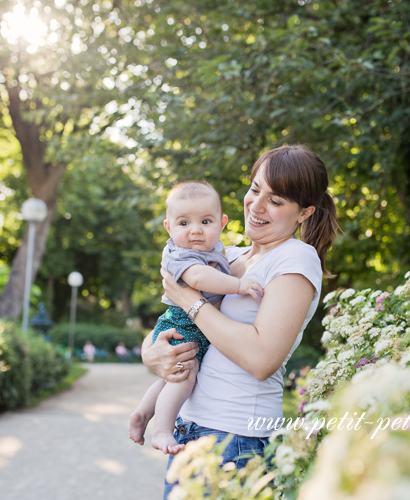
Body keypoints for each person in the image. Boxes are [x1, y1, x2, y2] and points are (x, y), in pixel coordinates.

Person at [140, 145, 339, 498]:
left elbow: (262, 359)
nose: (257, 205)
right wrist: (150, 353)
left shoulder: (295, 257)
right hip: (189, 429)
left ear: (305, 212)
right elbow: (171, 315)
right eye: (255, 189)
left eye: (276, 201)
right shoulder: (223, 256)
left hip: (233, 437)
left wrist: (192, 301)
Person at [129, 181, 264, 454]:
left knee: (174, 380)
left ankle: (143, 413)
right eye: (183, 223)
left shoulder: (218, 251)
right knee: (184, 379)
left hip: (193, 326)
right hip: (182, 324)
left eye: (205, 221)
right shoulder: (180, 254)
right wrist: (238, 285)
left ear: (222, 223)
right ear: (168, 227)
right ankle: (163, 431)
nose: (195, 230)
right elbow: (199, 277)